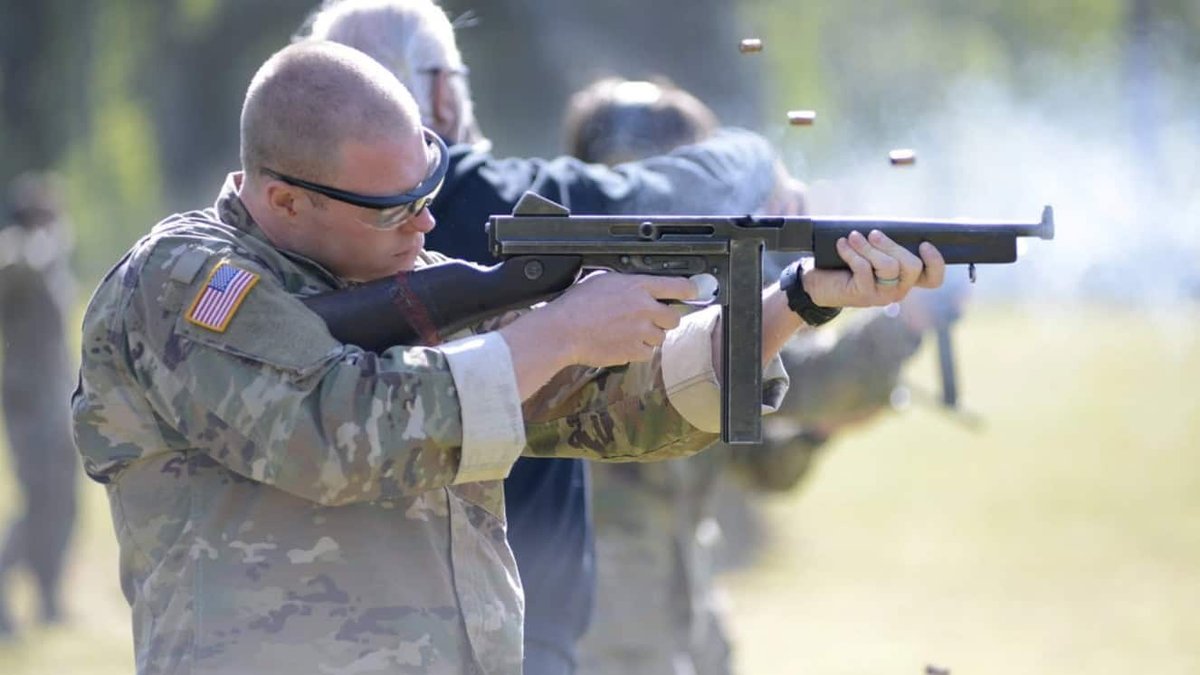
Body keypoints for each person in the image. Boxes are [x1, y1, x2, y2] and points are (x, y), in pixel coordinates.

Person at [70, 41, 943, 674]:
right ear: (283, 199)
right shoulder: (182, 285)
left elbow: (616, 406)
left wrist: (794, 302)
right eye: (391, 209)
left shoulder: (410, 277)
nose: (424, 223)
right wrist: (557, 328)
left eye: (429, 188)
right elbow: (336, 433)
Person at [301, 2, 802, 672]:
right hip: (512, 628)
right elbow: (659, 197)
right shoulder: (482, 195)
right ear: (443, 91)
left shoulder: (298, 238)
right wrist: (756, 159)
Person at [560, 77, 955, 675]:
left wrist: (819, 434)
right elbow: (806, 381)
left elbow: (752, 459)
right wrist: (904, 322)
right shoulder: (606, 307)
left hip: (680, 617)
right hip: (607, 633)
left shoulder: (666, 296)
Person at [0, 172, 77, 637]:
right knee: (38, 499)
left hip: (57, 396)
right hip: (29, 402)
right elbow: (17, 265)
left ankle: (49, 598)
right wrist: (43, 242)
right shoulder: (17, 254)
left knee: (64, 503)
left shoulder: (50, 264)